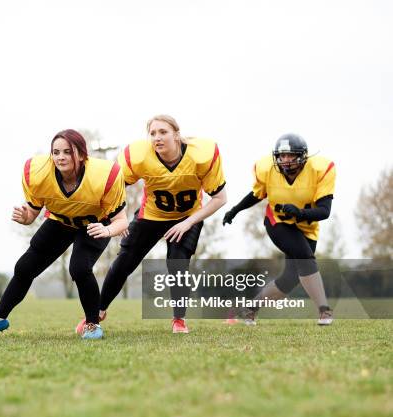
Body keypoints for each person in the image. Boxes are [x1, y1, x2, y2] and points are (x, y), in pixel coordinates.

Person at [76, 114, 227, 334]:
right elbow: (113, 188)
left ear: (176, 134)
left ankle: (179, 319)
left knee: (178, 264)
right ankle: (98, 311)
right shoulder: (139, 155)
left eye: (163, 132)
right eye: (153, 133)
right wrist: (120, 217)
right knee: (124, 260)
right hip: (152, 214)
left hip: (188, 215)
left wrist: (187, 223)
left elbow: (220, 199)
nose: (157, 137)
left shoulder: (201, 154)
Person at [0, 129, 128, 340]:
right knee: (24, 268)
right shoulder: (39, 172)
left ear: (81, 154)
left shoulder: (104, 175)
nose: (60, 157)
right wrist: (25, 216)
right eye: (56, 152)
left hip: (95, 224)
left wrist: (107, 230)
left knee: (80, 268)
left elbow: (122, 221)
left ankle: (92, 323)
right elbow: (32, 214)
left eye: (67, 152)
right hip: (60, 221)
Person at [222, 133, 336, 325]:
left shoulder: (320, 169)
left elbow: (324, 211)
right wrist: (235, 210)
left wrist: (299, 213)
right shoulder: (266, 169)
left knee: (289, 279)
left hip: (307, 227)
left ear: (302, 156)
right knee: (305, 257)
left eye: (291, 155)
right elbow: (257, 194)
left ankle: (250, 309)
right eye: (282, 156)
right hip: (278, 222)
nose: (285, 160)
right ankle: (324, 310)